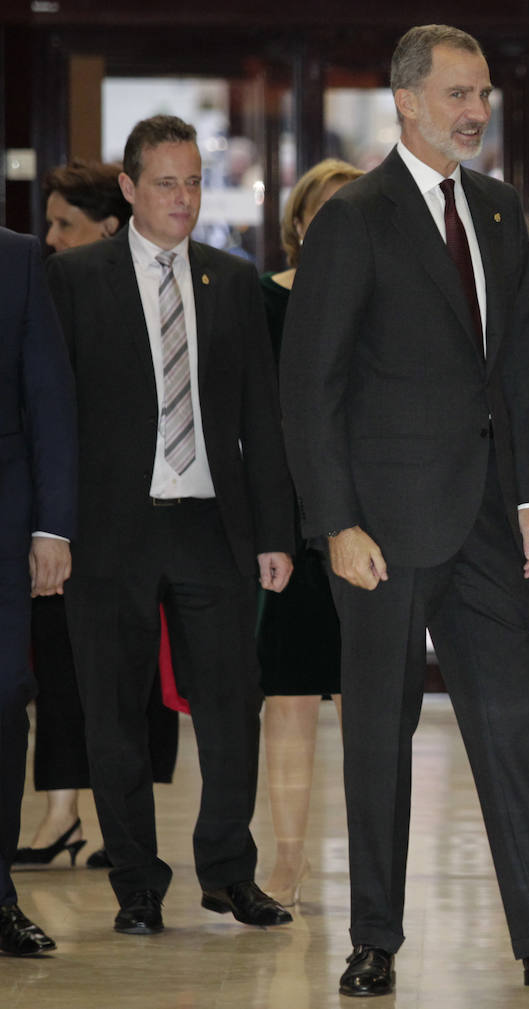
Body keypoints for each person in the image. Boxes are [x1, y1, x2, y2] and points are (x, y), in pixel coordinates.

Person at [278, 25, 529, 997]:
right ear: (406, 103)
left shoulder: (500, 211)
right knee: (378, 731)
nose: (476, 110)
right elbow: (310, 385)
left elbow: (520, 372)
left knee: (515, 724)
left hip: (492, 522)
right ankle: (375, 936)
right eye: (458, 93)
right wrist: (337, 523)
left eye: (484, 94)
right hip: (382, 526)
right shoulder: (355, 218)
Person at [45, 114, 297, 936]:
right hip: (108, 531)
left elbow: (262, 417)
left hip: (211, 526)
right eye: (166, 182)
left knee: (232, 704)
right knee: (112, 712)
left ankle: (228, 873)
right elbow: (50, 412)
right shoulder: (74, 280)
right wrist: (50, 526)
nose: (183, 198)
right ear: (128, 189)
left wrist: (273, 533)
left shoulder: (231, 277)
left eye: (193, 181)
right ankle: (137, 884)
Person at [18, 160, 179, 873]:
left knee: (127, 673)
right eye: (47, 222)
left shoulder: (147, 293)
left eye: (64, 224)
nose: (50, 237)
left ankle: (124, 825)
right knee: (54, 662)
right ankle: (62, 811)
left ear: (109, 226)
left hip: (131, 516)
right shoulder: (45, 287)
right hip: (59, 509)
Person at [256, 157, 363, 907]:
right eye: (321, 211)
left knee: (366, 700)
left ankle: (371, 864)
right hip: (291, 520)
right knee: (290, 695)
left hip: (370, 520)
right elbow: (257, 424)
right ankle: (286, 861)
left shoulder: (385, 300)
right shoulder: (262, 302)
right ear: (297, 224)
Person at [0, 226, 76, 956]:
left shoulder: (20, 260)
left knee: (3, 698)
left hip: (5, 524)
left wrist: (54, 527)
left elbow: (49, 398)